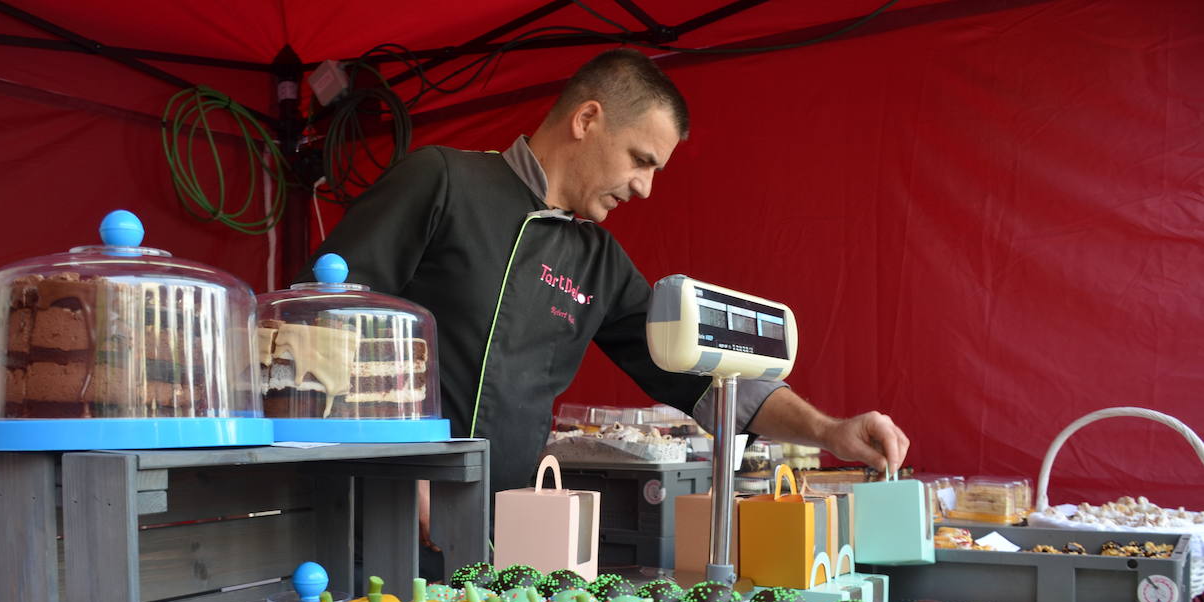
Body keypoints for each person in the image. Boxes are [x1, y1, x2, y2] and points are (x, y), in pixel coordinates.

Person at [309, 48, 909, 512]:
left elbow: (707, 380)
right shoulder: (441, 181)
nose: (645, 187)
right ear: (588, 119)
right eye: (641, 160)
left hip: (502, 526)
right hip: (376, 502)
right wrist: (401, 461)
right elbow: (323, 319)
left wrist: (830, 429)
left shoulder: (601, 263)